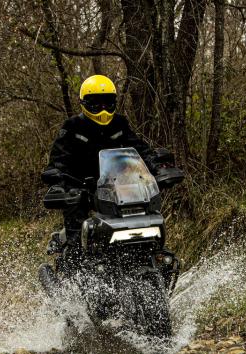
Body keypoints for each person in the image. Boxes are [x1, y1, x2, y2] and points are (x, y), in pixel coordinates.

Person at [41, 74, 159, 242]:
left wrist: (157, 165)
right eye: (96, 103)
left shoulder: (120, 123)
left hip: (118, 187)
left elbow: (139, 148)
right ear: (84, 104)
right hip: (81, 189)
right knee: (76, 224)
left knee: (146, 213)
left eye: (107, 102)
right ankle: (76, 264)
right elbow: (58, 159)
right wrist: (58, 182)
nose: (102, 108)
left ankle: (154, 252)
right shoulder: (72, 126)